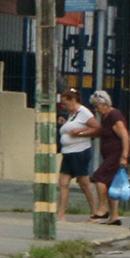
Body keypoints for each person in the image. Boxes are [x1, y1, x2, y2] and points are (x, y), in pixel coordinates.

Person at [55, 87, 101, 221]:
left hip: (79, 152)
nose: (64, 106)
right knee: (63, 183)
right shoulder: (71, 115)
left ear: (73, 100)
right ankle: (61, 214)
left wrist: (80, 133)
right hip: (68, 153)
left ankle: (95, 212)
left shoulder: (84, 113)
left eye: (66, 103)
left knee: (84, 183)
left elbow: (97, 129)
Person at [88, 91, 130, 224]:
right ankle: (114, 217)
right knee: (112, 185)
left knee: (99, 177)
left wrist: (124, 155)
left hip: (116, 155)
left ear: (106, 104)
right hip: (109, 155)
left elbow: (124, 134)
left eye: (98, 106)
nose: (96, 110)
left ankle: (102, 208)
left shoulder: (114, 115)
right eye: (95, 107)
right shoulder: (106, 117)